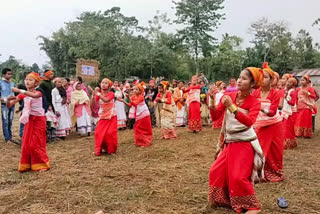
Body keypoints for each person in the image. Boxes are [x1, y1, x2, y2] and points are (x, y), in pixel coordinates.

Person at [208, 67, 264, 214]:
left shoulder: (254, 102)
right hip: (230, 142)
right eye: (239, 77)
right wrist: (213, 100)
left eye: (244, 78)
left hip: (245, 143)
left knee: (238, 177)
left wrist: (231, 107)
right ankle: (227, 200)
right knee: (216, 172)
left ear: (252, 84)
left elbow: (249, 122)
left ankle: (253, 206)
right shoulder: (230, 95)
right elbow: (215, 117)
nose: (239, 80)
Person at [7, 72, 50, 172]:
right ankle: (27, 164)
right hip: (29, 121)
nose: (27, 81)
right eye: (26, 80)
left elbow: (34, 96)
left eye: (30, 80)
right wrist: (8, 100)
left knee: (37, 142)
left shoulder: (39, 91)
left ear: (36, 83)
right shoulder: (23, 94)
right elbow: (10, 105)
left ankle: (41, 165)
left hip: (39, 120)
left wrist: (19, 90)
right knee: (27, 143)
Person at [252, 62, 284, 182]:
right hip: (260, 125)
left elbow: (272, 112)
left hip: (274, 125)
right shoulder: (256, 92)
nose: (262, 80)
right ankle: (259, 173)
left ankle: (273, 172)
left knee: (274, 151)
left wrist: (258, 107)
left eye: (265, 77)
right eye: (261, 77)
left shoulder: (275, 93)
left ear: (271, 80)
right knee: (258, 149)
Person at [122, 82, 153, 147]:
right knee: (137, 127)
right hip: (138, 114)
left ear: (140, 91)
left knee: (142, 128)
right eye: (134, 89)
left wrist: (129, 99)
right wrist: (123, 101)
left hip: (143, 114)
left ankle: (145, 141)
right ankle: (140, 141)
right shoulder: (133, 96)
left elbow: (135, 103)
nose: (134, 91)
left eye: (137, 89)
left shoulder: (141, 97)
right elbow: (131, 105)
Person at [93, 79, 117, 155]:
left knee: (109, 133)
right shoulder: (98, 93)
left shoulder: (111, 93)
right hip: (102, 115)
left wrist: (98, 94)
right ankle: (99, 149)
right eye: (102, 82)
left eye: (106, 83)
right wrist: (94, 94)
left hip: (111, 115)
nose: (103, 84)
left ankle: (111, 150)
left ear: (109, 86)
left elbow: (106, 100)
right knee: (98, 132)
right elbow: (94, 103)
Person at [0, 68, 18, 144]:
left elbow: (15, 93)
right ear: (3, 74)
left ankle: (10, 137)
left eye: (11, 74)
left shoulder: (12, 83)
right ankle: (7, 138)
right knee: (5, 121)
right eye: (8, 74)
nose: (10, 75)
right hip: (5, 105)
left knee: (10, 121)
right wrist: (5, 99)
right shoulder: (0, 83)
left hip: (12, 104)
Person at [282, 78, 298, 149]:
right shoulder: (286, 90)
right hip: (286, 111)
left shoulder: (292, 92)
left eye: (290, 83)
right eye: (288, 81)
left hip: (291, 113)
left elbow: (293, 103)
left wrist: (286, 98)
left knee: (288, 127)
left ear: (293, 85)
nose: (288, 83)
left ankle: (288, 144)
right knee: (285, 127)